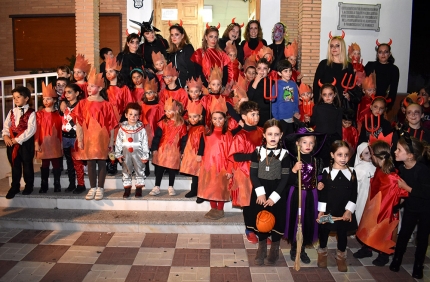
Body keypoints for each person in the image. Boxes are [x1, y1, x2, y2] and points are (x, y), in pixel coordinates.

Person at [354, 138, 407, 266]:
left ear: (376, 156)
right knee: (370, 225)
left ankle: (384, 254)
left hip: (387, 209)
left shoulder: (392, 176)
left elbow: (404, 193)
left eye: (371, 153)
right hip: (374, 206)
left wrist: (395, 207)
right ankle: (368, 248)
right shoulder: (378, 169)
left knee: (385, 230)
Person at [72, 68, 117, 201]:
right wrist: (80, 139)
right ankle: (92, 187)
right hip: (88, 138)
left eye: (92, 86)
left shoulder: (106, 105)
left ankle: (101, 187)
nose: (89, 88)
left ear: (99, 87)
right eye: (89, 86)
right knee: (91, 162)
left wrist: (111, 142)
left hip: (102, 138)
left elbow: (111, 125)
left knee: (102, 162)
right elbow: (79, 123)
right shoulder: (82, 103)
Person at [249, 119, 290, 265]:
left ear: (281, 135)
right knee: (261, 220)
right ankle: (261, 249)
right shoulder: (257, 152)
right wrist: (260, 192)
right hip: (261, 191)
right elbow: (253, 174)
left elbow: (285, 178)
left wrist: (274, 197)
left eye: (277, 134)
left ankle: (275, 248)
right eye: (270, 134)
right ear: (264, 135)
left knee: (277, 219)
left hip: (277, 192)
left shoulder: (284, 154)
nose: (273, 137)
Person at [390, 134, 430, 279]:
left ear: (410, 156)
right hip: (411, 207)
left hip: (426, 209)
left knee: (422, 237)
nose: (395, 151)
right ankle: (397, 259)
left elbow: (426, 192)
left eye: (399, 150)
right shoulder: (402, 167)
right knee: (404, 234)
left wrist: (406, 187)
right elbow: (402, 192)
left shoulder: (422, 170)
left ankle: (418, 265)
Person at [284, 127, 324, 264]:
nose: (308, 146)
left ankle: (303, 248)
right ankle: (295, 248)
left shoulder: (316, 160)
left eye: (311, 143)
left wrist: (320, 183)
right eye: (305, 142)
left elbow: (319, 176)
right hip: (297, 193)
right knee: (297, 220)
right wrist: (294, 170)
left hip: (312, 194)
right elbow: (287, 180)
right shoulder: (292, 159)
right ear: (297, 143)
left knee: (308, 220)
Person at [317, 140, 357, 272]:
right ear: (332, 155)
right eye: (340, 155)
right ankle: (322, 253)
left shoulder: (352, 173)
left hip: (343, 211)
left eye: (346, 155)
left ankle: (341, 257)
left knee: (342, 234)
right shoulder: (326, 171)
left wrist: (349, 211)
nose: (343, 158)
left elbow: (353, 194)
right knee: (324, 232)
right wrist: (321, 211)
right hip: (328, 210)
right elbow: (323, 193)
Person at [229, 101, 263, 242]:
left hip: (261, 172)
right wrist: (252, 156)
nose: (256, 117)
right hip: (244, 173)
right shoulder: (240, 135)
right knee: (248, 203)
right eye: (252, 114)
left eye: (257, 114)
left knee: (260, 202)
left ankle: (261, 228)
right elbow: (236, 156)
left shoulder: (262, 131)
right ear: (243, 117)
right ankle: (249, 229)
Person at [197, 96, 233, 220]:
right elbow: (203, 148)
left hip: (222, 166)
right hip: (208, 166)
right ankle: (213, 207)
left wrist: (229, 169)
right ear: (211, 119)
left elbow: (231, 153)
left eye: (220, 118)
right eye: (214, 118)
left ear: (225, 119)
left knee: (220, 187)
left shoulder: (227, 134)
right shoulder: (207, 133)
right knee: (210, 187)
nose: (217, 121)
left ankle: (220, 209)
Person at [3, 86, 36, 199]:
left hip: (25, 143)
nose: (16, 99)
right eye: (14, 97)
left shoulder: (31, 113)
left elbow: (31, 129)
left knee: (27, 165)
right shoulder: (11, 112)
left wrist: (17, 139)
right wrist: (6, 137)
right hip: (11, 143)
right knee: (15, 165)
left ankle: (29, 186)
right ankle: (15, 187)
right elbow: (6, 126)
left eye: (18, 97)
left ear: (26, 98)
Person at [150, 97, 187, 196]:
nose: (167, 113)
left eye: (170, 110)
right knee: (160, 168)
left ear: (177, 110)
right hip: (162, 149)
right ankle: (157, 186)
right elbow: (157, 136)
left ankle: (171, 186)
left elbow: (184, 140)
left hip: (175, 150)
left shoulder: (182, 124)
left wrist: (183, 151)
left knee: (172, 168)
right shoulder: (163, 123)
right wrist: (154, 148)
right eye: (166, 111)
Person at [115, 102, 149, 198]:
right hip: (126, 154)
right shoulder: (122, 129)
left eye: (135, 115)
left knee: (139, 170)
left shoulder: (141, 129)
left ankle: (138, 189)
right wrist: (118, 154)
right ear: (126, 115)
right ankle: (127, 189)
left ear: (138, 116)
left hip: (138, 153)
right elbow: (118, 142)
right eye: (130, 114)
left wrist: (145, 155)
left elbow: (145, 143)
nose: (133, 117)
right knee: (126, 170)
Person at [34, 82, 63, 193]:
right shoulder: (39, 114)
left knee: (56, 163)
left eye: (48, 99)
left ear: (54, 100)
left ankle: (57, 184)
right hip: (43, 142)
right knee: (45, 164)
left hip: (55, 142)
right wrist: (36, 143)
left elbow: (60, 130)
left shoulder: (58, 115)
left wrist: (61, 144)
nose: (46, 101)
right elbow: (36, 130)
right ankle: (44, 184)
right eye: (44, 99)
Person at [312, 33, 355, 108]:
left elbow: (352, 86)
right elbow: (316, 85)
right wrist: (317, 104)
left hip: (342, 106)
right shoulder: (324, 64)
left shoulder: (348, 66)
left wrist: (349, 95)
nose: (334, 48)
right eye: (331, 46)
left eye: (337, 46)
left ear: (342, 47)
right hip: (325, 105)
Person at [308, 82, 343, 166]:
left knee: (331, 161)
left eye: (330, 94)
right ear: (321, 95)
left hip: (332, 139)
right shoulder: (317, 107)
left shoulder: (338, 109)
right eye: (325, 95)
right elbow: (313, 122)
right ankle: (319, 178)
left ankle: (329, 177)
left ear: (334, 94)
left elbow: (338, 126)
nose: (327, 97)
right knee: (319, 161)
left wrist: (339, 141)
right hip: (320, 139)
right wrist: (308, 120)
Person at [61, 83, 86, 194]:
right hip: (65, 137)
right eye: (65, 92)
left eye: (69, 92)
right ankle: (71, 184)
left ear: (77, 93)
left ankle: (81, 184)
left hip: (75, 137)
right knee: (69, 163)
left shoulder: (81, 105)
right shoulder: (65, 106)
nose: (66, 94)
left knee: (77, 163)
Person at [180, 100, 205, 199]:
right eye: (190, 117)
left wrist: (200, 153)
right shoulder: (190, 127)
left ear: (200, 117)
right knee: (194, 173)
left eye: (195, 116)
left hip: (198, 154)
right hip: (190, 153)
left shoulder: (202, 128)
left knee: (199, 173)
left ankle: (200, 192)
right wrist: (183, 152)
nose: (192, 119)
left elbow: (203, 142)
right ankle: (194, 190)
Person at [365, 40, 399, 110]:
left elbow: (393, 91)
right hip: (367, 103)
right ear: (377, 54)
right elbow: (362, 84)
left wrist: (387, 107)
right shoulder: (370, 65)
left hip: (382, 104)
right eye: (380, 52)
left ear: (389, 54)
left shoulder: (394, 69)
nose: (383, 54)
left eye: (385, 52)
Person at [140, 78, 163, 177]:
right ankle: (146, 169)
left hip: (156, 130)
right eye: (147, 93)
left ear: (156, 93)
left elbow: (161, 119)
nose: (149, 95)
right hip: (145, 130)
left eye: (151, 92)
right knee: (145, 149)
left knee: (155, 149)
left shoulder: (159, 106)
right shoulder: (142, 106)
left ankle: (159, 168)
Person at [271, 60, 300, 137]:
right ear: (279, 73)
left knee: (291, 139)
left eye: (290, 71)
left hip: (292, 117)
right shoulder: (276, 85)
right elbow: (273, 102)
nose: (288, 73)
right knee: (281, 139)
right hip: (281, 118)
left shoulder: (293, 84)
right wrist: (276, 117)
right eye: (285, 71)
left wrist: (296, 111)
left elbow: (296, 100)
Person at [353, 142, 375, 225]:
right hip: (362, 195)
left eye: (370, 153)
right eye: (366, 153)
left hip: (373, 195)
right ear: (360, 155)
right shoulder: (358, 169)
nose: (369, 155)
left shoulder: (375, 165)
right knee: (361, 212)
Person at [247, 58, 274, 127]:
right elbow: (249, 97)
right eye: (259, 68)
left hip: (269, 113)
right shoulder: (253, 82)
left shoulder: (272, 83)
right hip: (256, 113)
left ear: (268, 70)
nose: (262, 71)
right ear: (256, 70)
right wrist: (256, 81)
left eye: (264, 68)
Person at [167, 23, 195, 88]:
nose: (174, 37)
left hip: (186, 86)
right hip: (174, 87)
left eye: (176, 34)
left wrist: (188, 85)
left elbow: (192, 68)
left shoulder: (188, 48)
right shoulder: (170, 52)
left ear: (182, 36)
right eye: (172, 35)